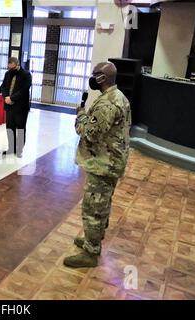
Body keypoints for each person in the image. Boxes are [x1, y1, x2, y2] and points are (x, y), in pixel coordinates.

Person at [63, 62, 131, 268]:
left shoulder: (108, 103)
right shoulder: (118, 96)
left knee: (93, 207)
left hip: (104, 163)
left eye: (95, 75)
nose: (92, 78)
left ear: (102, 78)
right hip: (109, 161)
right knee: (101, 203)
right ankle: (93, 239)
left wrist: (80, 115)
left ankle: (91, 252)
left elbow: (92, 133)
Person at [0, 57, 32, 158]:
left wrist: (12, 98)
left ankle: (19, 150)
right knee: (10, 128)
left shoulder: (26, 75)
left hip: (20, 107)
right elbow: (3, 86)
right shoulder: (7, 73)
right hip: (9, 106)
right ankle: (11, 148)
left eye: (12, 68)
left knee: (21, 128)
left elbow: (24, 90)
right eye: (9, 68)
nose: (10, 70)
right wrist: (6, 97)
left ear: (17, 65)